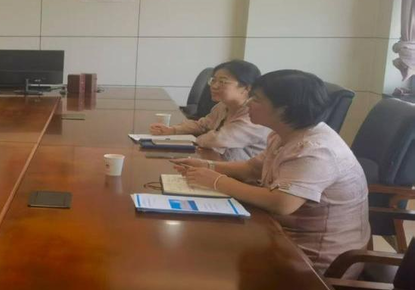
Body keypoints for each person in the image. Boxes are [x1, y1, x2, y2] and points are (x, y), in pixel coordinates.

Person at [173, 70, 369, 273]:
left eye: (256, 99)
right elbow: (252, 169)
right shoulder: (284, 134)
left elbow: (282, 203)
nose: (248, 103)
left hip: (312, 261)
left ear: (284, 109)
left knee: (199, 258)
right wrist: (207, 166)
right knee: (198, 244)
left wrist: (217, 181)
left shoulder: (315, 149)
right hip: (278, 234)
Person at [151, 60, 270, 161]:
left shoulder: (253, 115)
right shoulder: (222, 106)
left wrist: (196, 140)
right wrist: (172, 130)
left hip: (244, 175)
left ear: (247, 88)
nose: (214, 86)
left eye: (222, 82)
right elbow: (202, 125)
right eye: (213, 80)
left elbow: (218, 140)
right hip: (221, 163)